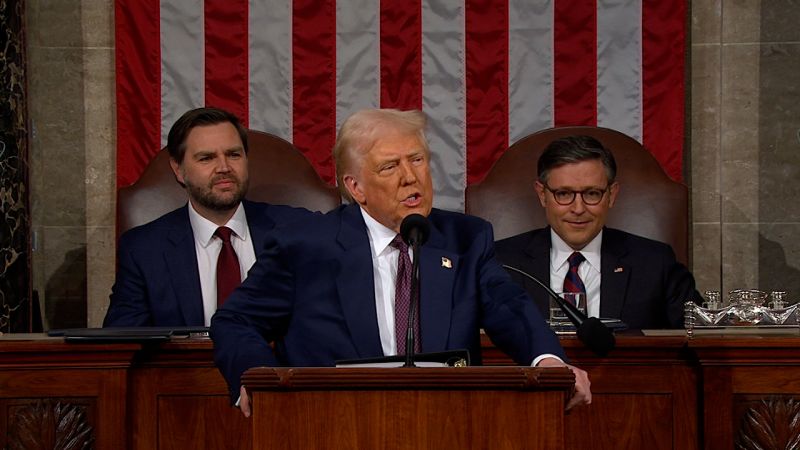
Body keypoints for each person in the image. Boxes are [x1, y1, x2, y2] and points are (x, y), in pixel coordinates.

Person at [211, 109, 591, 417]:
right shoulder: (307, 245)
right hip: (331, 424)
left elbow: (507, 305)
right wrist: (258, 377)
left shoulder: (465, 238)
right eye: (389, 167)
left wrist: (548, 360)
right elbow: (235, 320)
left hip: (447, 425)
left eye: (418, 160)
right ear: (355, 187)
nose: (411, 177)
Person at [103, 107, 311, 327]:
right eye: (206, 158)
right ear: (178, 170)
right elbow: (121, 342)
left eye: (233, 154)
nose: (224, 167)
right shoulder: (143, 249)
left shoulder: (296, 230)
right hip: (185, 362)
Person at [495, 135, 702, 329]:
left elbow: (705, 337)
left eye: (592, 193)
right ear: (542, 195)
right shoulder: (501, 262)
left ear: (611, 195)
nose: (578, 208)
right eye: (564, 194)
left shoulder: (655, 263)